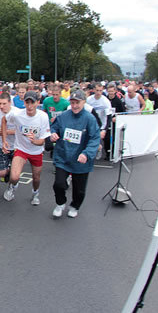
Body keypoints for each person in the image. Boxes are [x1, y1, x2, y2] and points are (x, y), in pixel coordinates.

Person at [50, 89, 100, 218]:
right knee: (59, 184)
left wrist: (87, 154)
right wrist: (53, 133)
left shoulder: (89, 119)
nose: (75, 106)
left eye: (77, 103)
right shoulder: (63, 116)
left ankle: (75, 206)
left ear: (84, 102)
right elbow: (54, 127)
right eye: (72, 102)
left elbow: (95, 138)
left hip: (80, 159)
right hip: (63, 156)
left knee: (79, 189)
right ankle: (60, 203)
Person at [3, 91, 51, 205]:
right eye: (27, 102)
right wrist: (4, 140)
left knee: (36, 178)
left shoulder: (43, 117)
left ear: (37, 103)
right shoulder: (17, 114)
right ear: (23, 102)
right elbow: (4, 120)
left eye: (32, 103)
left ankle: (35, 193)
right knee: (14, 177)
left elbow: (42, 141)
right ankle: (12, 187)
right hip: (21, 149)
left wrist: (35, 141)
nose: (29, 106)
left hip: (36, 151)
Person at [0, 92, 19, 183]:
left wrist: (7, 132)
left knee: (15, 175)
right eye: (0, 103)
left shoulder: (17, 112)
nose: (1, 106)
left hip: (16, 146)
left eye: (4, 104)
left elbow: (22, 130)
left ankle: (12, 185)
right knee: (2, 173)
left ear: (10, 103)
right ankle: (8, 171)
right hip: (2, 145)